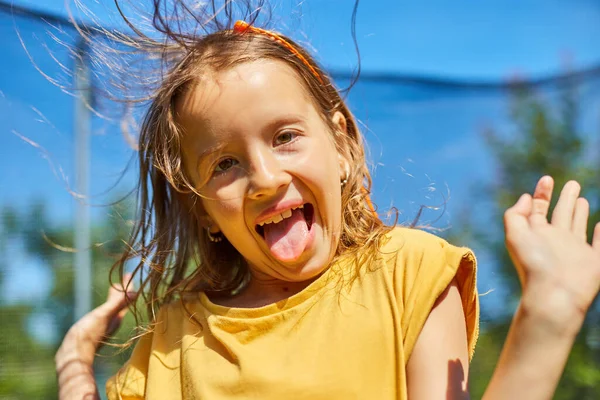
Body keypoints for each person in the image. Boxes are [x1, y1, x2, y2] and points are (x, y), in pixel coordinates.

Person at [55, 4, 600, 399]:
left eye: (285, 136)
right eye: (224, 163)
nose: (265, 178)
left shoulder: (408, 275)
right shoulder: (173, 338)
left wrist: (546, 318)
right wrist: (73, 364)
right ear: (200, 207)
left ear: (341, 146)